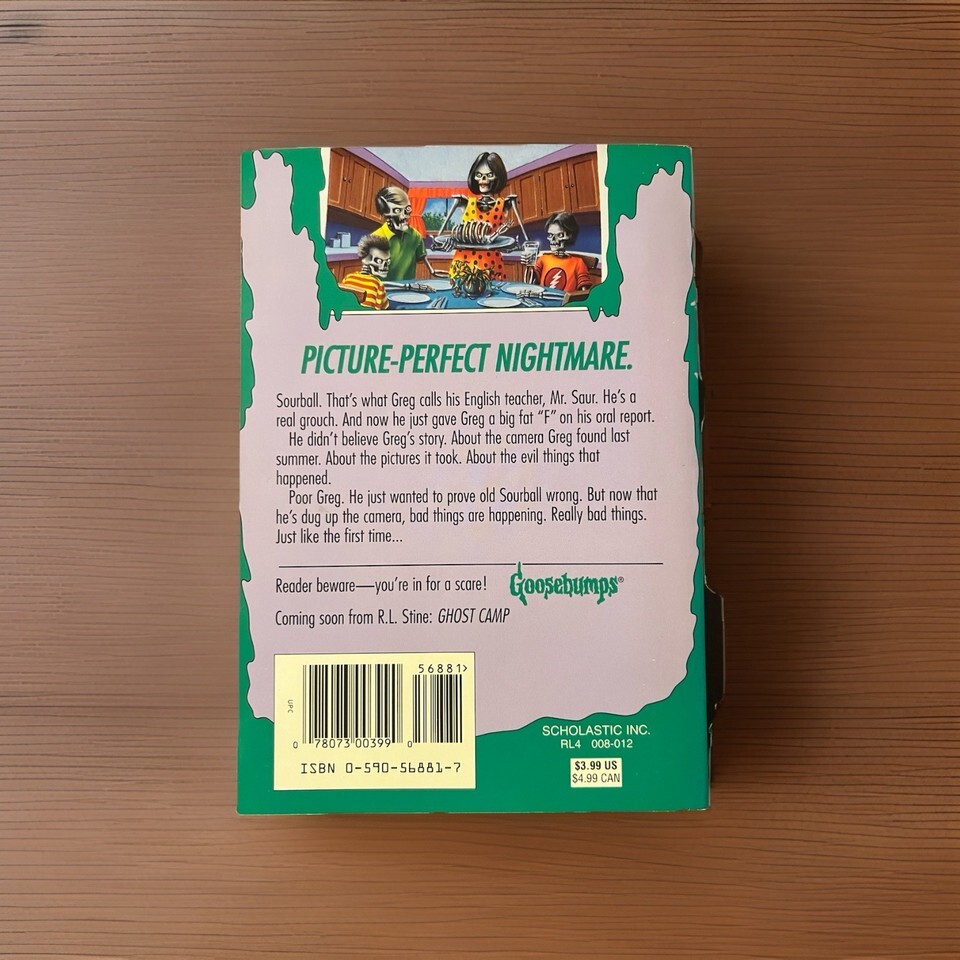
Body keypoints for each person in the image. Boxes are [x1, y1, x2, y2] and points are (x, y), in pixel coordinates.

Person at [448, 152, 517, 282]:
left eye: (489, 175)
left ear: (497, 177)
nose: (483, 180)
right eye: (479, 175)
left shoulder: (503, 204)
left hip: (491, 265)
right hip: (463, 265)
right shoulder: (466, 202)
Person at [371, 185, 439, 281]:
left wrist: (431, 270)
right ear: (385, 214)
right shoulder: (375, 238)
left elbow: (422, 256)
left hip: (408, 288)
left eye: (407, 209)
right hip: (383, 288)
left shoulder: (415, 235)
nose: (405, 216)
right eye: (397, 210)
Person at [524, 211, 592, 293]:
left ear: (569, 235)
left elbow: (585, 293)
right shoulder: (543, 259)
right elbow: (531, 282)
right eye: (550, 235)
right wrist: (529, 265)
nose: (553, 239)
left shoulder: (578, 263)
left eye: (560, 235)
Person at [339, 235, 390, 310]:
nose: (385, 266)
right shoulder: (378, 284)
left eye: (387, 261)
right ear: (365, 260)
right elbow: (382, 309)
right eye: (379, 261)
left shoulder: (348, 277)